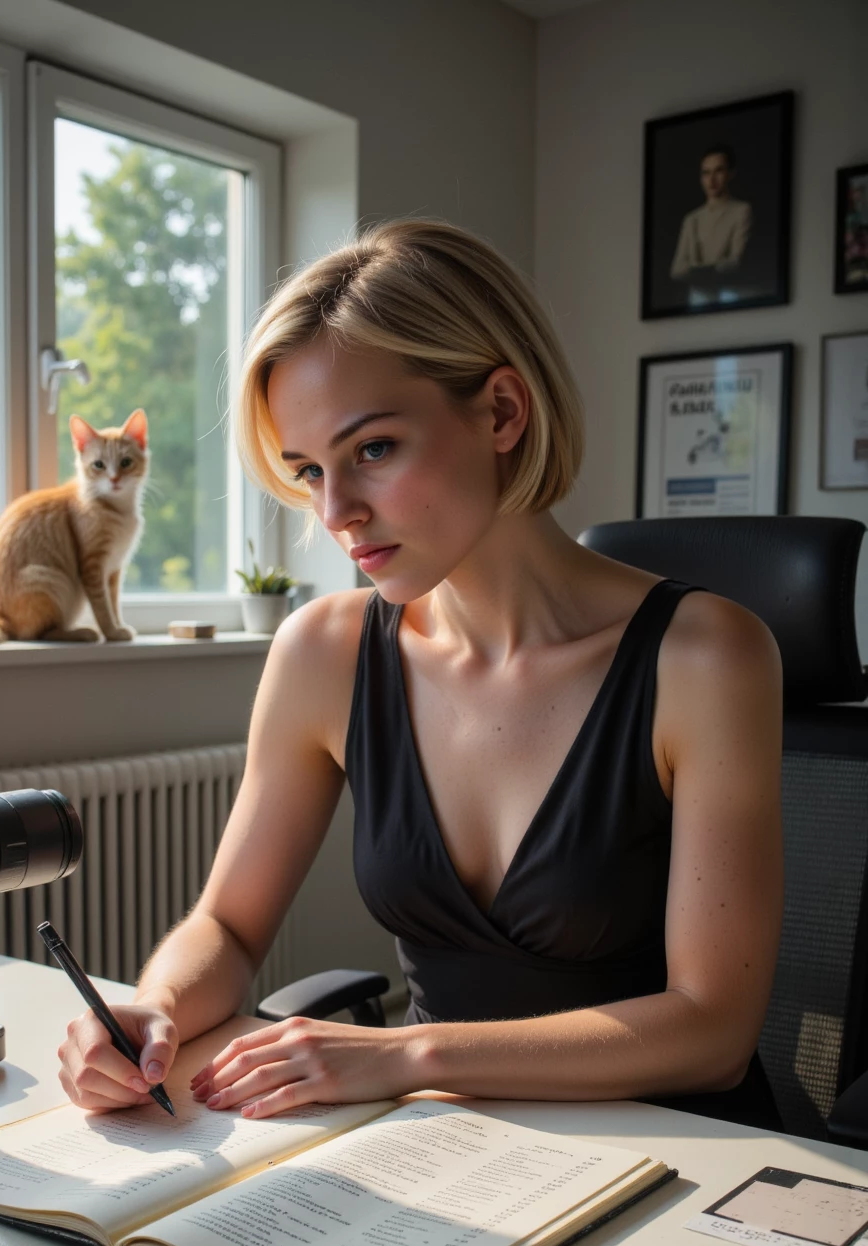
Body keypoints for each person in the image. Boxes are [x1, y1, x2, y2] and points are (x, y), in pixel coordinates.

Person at [59, 218, 783, 1130]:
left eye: (372, 450)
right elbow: (229, 928)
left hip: (685, 1157)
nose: (336, 511)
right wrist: (154, 1006)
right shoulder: (321, 654)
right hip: (448, 1151)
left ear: (503, 412)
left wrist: (407, 1055)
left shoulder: (708, 657)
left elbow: (715, 1031)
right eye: (308, 469)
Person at [670, 145, 752, 289]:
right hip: (698, 294)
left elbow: (736, 260)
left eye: (718, 171)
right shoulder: (692, 219)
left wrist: (697, 269)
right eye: (706, 173)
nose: (712, 179)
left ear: (731, 173)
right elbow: (677, 269)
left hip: (729, 290)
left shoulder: (741, 211)